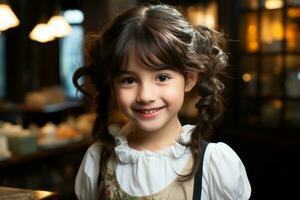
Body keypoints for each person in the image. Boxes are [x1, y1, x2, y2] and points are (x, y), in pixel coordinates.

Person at [73, 3, 251, 200]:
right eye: (129, 80)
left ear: (189, 78)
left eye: (162, 77)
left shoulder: (214, 166)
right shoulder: (97, 162)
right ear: (112, 84)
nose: (146, 95)